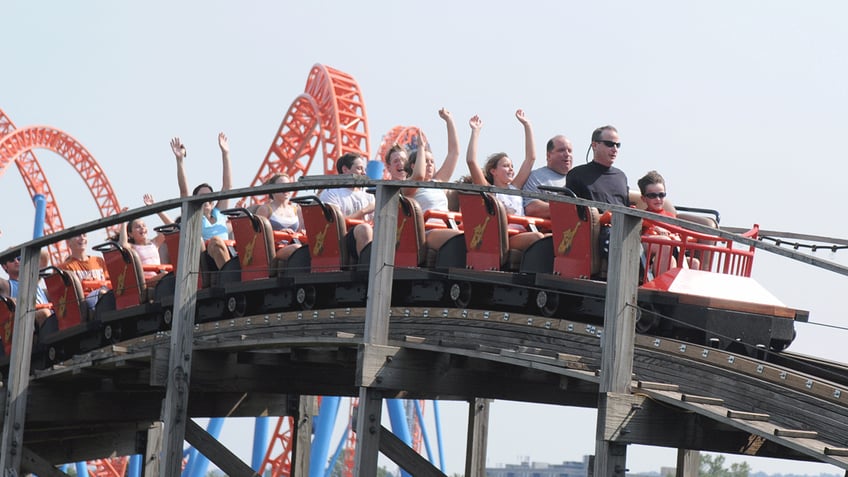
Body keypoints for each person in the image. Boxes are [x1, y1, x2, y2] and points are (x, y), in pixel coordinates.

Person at [464, 110, 544, 250]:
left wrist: (527, 125)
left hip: (522, 233)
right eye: (506, 166)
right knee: (538, 238)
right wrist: (475, 131)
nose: (511, 169)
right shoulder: (489, 190)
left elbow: (530, 158)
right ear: (493, 171)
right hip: (505, 239)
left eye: (512, 166)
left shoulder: (515, 188)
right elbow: (471, 161)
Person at [170, 132, 233, 269]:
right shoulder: (193, 216)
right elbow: (184, 192)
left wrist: (225, 154)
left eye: (209, 197)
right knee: (216, 241)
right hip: (207, 258)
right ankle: (227, 274)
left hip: (229, 252)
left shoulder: (218, 212)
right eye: (202, 198)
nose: (207, 201)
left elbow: (227, 186)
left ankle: (230, 270)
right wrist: (180, 160)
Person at [403, 108, 463, 249]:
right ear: (413, 165)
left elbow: (454, 153)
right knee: (459, 238)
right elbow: (418, 176)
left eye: (432, 162)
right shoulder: (408, 186)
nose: (429, 165)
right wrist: (421, 148)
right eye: (426, 161)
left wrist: (449, 121)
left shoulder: (438, 183)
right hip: (427, 231)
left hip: (445, 227)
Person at [637, 170, 700, 273]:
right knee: (665, 244)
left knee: (694, 262)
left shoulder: (670, 217)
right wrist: (656, 229)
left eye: (661, 195)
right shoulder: (643, 216)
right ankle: (660, 287)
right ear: (643, 199)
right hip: (647, 256)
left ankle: (683, 288)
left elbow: (684, 235)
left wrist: (676, 236)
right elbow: (640, 230)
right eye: (652, 196)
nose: (658, 199)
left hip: (673, 252)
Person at [317, 152, 375, 259]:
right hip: (341, 239)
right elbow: (335, 225)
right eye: (359, 168)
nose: (364, 172)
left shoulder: (368, 195)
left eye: (364, 169)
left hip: (368, 235)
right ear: (345, 170)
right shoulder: (331, 193)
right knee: (364, 229)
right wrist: (364, 211)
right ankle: (366, 269)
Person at [522, 134, 574, 218]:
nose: (567, 154)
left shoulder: (579, 178)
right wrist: (570, 210)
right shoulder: (536, 177)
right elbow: (531, 208)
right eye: (561, 150)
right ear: (549, 155)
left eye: (570, 151)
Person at [256, 173, 304, 261]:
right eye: (282, 185)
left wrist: (302, 232)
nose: (286, 189)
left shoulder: (297, 209)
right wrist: (279, 233)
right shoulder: (265, 209)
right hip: (275, 249)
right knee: (297, 248)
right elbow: (257, 235)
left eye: (288, 185)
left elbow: (301, 231)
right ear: (273, 190)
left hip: (295, 244)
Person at [0, 252, 53, 327]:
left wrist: (24, 250)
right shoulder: (7, 285)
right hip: (26, 325)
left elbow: (45, 256)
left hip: (50, 318)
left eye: (19, 258)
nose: (16, 261)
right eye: (12, 260)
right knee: (44, 313)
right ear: (4, 266)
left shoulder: (34, 281)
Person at [61, 233, 110, 309]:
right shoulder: (64, 267)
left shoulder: (98, 261)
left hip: (105, 294)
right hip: (83, 302)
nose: (82, 238)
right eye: (78, 235)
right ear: (68, 242)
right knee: (104, 294)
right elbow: (65, 294)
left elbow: (109, 281)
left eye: (84, 235)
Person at [120, 216, 168, 287]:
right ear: (130, 234)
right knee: (167, 275)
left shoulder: (154, 243)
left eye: (144, 225)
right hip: (145, 282)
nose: (142, 228)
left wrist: (158, 211)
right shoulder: (132, 247)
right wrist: (123, 221)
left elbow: (172, 227)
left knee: (171, 274)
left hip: (158, 275)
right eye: (138, 227)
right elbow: (123, 244)